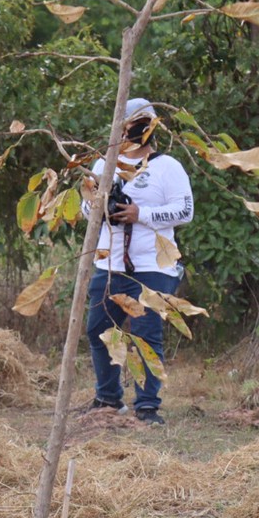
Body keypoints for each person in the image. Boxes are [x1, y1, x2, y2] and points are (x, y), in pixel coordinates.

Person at [82, 97, 194, 426]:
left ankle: (147, 405)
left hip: (153, 267)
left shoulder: (167, 167)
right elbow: (87, 209)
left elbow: (185, 211)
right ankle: (107, 398)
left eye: (142, 123)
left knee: (146, 334)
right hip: (109, 263)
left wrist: (139, 214)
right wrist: (101, 208)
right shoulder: (104, 165)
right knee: (99, 330)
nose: (135, 130)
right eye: (131, 123)